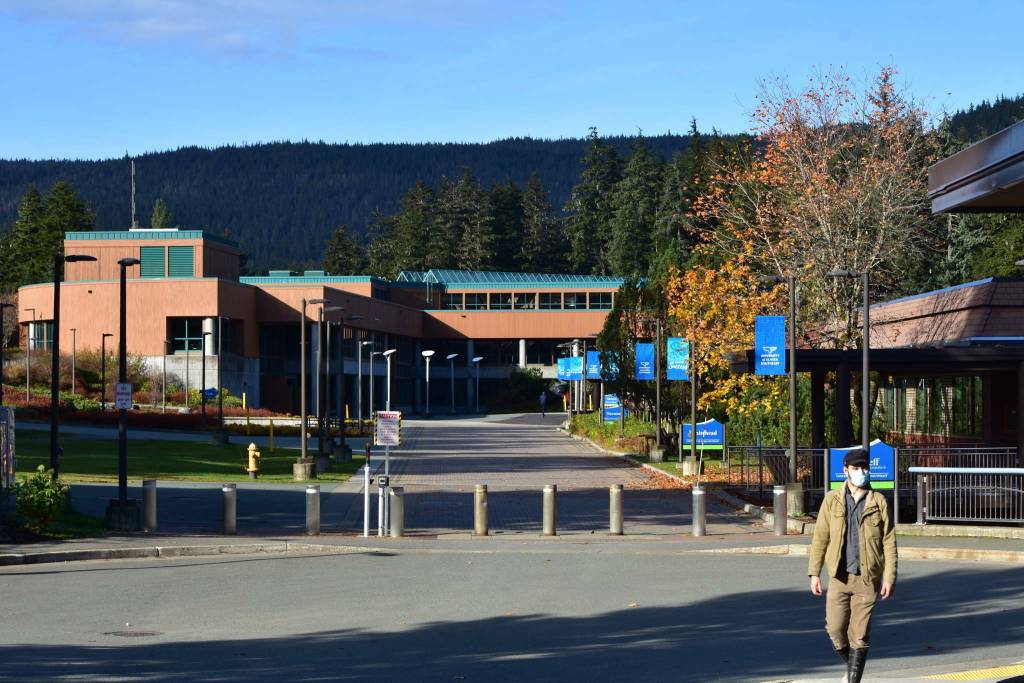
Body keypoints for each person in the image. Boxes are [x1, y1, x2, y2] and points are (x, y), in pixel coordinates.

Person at [807, 447, 897, 683]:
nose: (861, 472)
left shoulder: (878, 501)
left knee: (860, 635)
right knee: (835, 629)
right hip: (839, 577)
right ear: (845, 470)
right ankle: (851, 667)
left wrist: (889, 577)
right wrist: (814, 573)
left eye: (864, 468)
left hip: (867, 578)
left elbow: (889, 541)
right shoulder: (832, 500)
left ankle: (853, 678)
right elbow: (820, 538)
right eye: (856, 468)